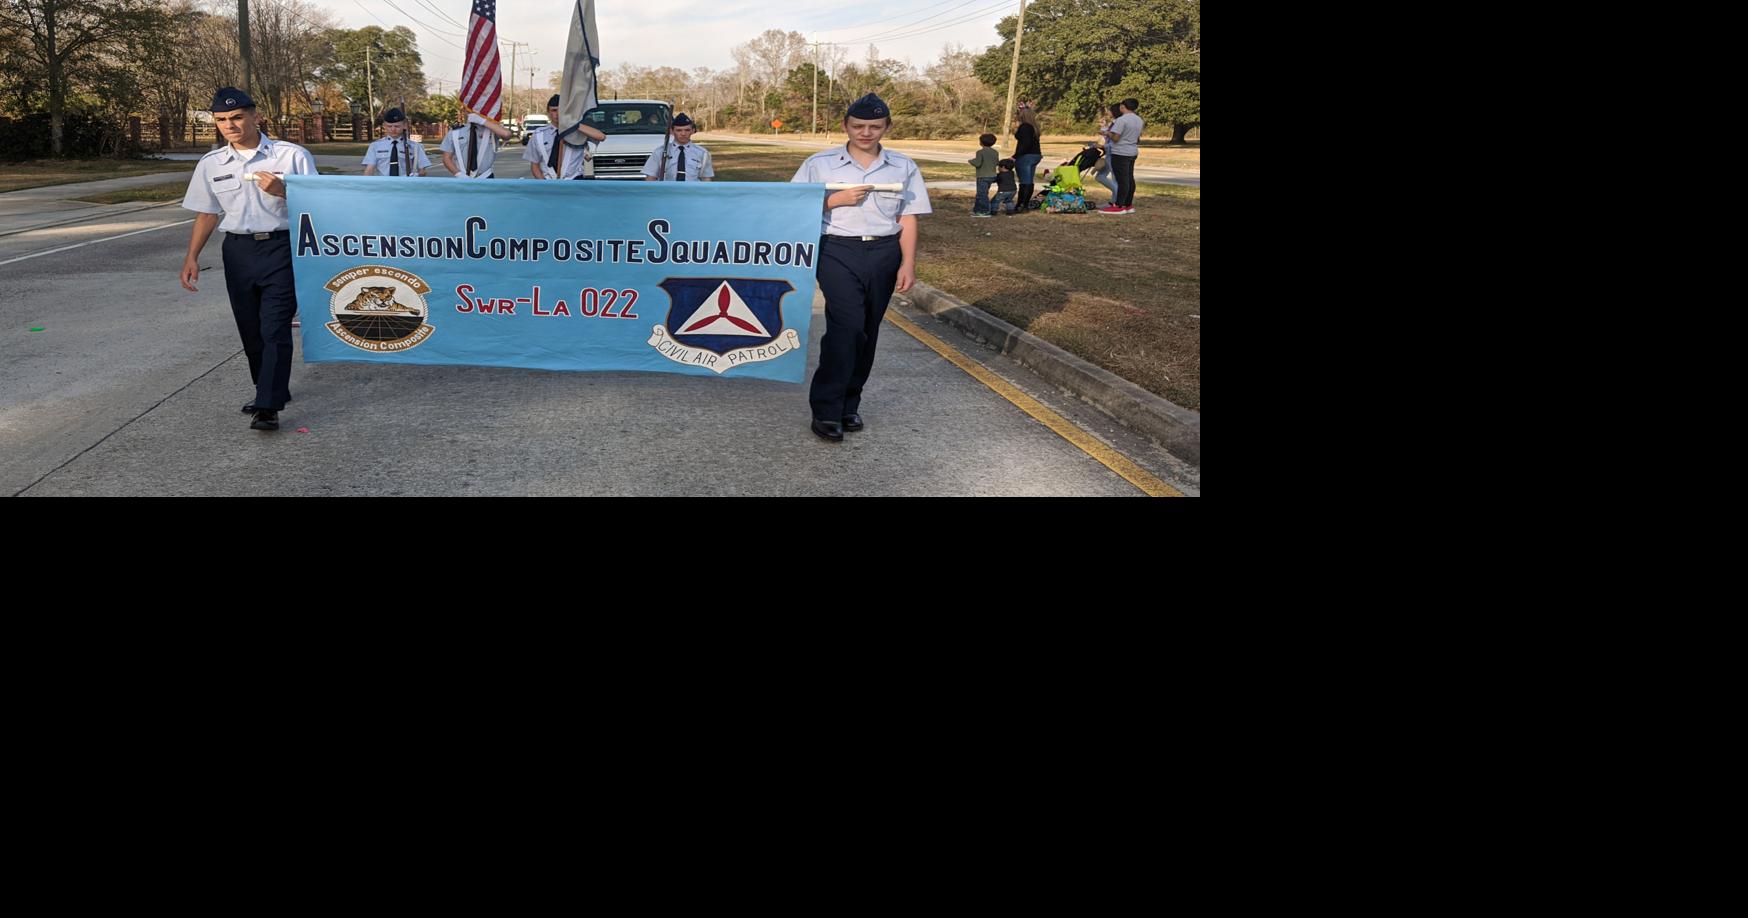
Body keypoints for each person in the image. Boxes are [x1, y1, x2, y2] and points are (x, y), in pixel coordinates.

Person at [790, 93, 931, 442]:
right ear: (845, 126)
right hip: (836, 249)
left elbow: (908, 217)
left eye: (874, 126)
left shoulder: (902, 166)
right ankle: (826, 409)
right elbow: (790, 206)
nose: (866, 133)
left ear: (887, 127)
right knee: (847, 326)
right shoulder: (819, 164)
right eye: (858, 126)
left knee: (867, 330)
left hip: (884, 252)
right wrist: (833, 200)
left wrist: (908, 264)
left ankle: (849, 405)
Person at [178, 87, 317, 432]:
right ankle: (267, 388)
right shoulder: (211, 164)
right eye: (222, 120)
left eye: (237, 117)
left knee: (274, 327)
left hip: (281, 248)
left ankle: (268, 405)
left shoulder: (291, 156)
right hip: (238, 251)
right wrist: (191, 257)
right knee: (251, 329)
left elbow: (318, 204)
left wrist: (285, 191)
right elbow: (208, 214)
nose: (230, 125)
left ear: (256, 116)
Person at [523, 94, 607, 179]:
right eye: (554, 110)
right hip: (548, 182)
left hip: (574, 181)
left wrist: (573, 124)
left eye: (561, 110)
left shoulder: (578, 131)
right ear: (548, 112)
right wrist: (544, 185)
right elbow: (534, 164)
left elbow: (601, 137)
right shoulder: (539, 135)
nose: (558, 114)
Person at [440, 102, 513, 178]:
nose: (472, 112)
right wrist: (458, 174)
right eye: (468, 109)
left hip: (486, 177)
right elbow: (446, 158)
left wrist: (483, 121)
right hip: (462, 178)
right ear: (464, 111)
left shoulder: (491, 129)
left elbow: (506, 135)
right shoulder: (455, 132)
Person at [1099, 97, 1143, 215]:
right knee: (1129, 178)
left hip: (1120, 152)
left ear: (1123, 107)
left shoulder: (1122, 120)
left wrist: (1107, 132)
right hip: (1132, 151)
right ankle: (1128, 205)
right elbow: (1138, 138)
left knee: (1121, 180)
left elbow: (1116, 138)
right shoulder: (1139, 120)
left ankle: (1119, 205)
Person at [640, 113, 713, 181]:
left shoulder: (702, 153)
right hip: (668, 193)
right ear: (671, 131)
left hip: (692, 193)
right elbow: (650, 179)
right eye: (679, 130)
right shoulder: (660, 152)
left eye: (687, 130)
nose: (683, 133)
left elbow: (706, 180)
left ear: (693, 131)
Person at [362, 108, 429, 177]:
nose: (393, 129)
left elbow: (422, 171)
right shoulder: (375, 146)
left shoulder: (415, 146)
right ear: (384, 125)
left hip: (406, 185)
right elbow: (369, 169)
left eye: (397, 126)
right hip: (384, 185)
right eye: (389, 126)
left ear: (404, 125)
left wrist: (416, 175)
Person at [1011, 101, 1043, 213]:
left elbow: (1025, 143)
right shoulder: (1035, 127)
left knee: (1024, 182)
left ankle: (1020, 205)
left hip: (1025, 156)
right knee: (1029, 181)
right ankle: (1025, 204)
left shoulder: (1024, 127)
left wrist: (1015, 156)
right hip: (1036, 155)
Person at [1092, 104, 1121, 205]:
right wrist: (1104, 128)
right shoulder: (1114, 123)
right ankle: (1114, 200)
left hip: (1114, 153)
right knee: (1102, 176)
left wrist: (1102, 146)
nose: (1108, 113)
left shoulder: (1119, 123)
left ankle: (1117, 199)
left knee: (1110, 177)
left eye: (1109, 110)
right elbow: (1109, 136)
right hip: (1110, 153)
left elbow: (1115, 140)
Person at [967, 132, 998, 216]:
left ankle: (984, 211)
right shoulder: (995, 152)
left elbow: (978, 163)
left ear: (981, 142)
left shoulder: (980, 152)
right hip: (992, 176)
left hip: (982, 176)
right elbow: (996, 162)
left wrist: (971, 161)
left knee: (982, 195)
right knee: (981, 194)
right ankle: (977, 210)